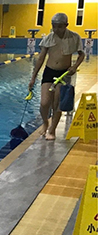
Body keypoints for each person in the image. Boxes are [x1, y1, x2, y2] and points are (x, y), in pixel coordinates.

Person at [28, 12, 85, 140]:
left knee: (57, 104)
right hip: (50, 72)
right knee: (44, 103)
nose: (56, 29)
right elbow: (41, 58)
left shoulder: (74, 37)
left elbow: (81, 54)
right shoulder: (48, 38)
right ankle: (45, 122)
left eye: (60, 26)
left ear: (66, 25)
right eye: (54, 26)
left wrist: (74, 67)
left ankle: (52, 130)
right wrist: (33, 77)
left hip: (64, 73)